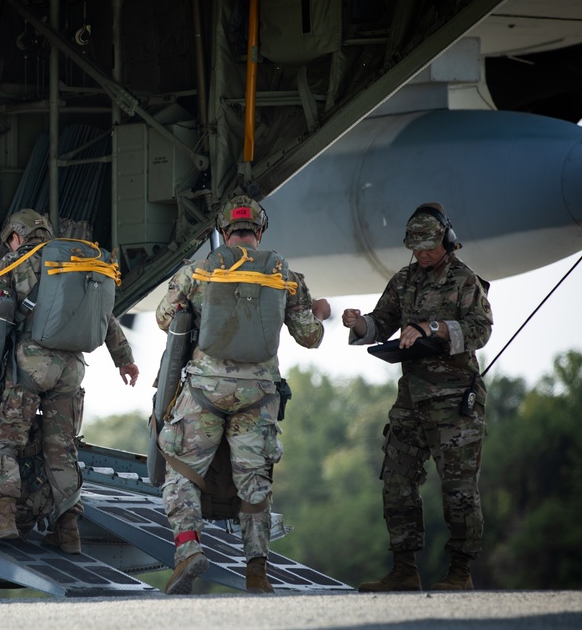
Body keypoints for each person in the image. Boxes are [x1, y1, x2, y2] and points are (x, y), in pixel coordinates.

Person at [155, 195, 330, 595]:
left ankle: (187, 549)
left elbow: (165, 318)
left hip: (205, 389)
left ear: (223, 231)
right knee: (254, 481)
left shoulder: (198, 270)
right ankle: (256, 570)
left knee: (180, 470)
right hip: (259, 393)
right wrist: (318, 313)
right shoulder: (285, 274)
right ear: (260, 231)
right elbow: (310, 337)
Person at [341, 202, 492, 592]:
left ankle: (460, 571)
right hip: (411, 398)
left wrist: (436, 328)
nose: (422, 254)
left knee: (458, 489)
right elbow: (383, 321)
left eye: (429, 246)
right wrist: (361, 324)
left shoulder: (465, 280)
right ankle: (404, 569)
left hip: (455, 400)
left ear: (446, 239)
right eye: (416, 247)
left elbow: (481, 330)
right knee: (396, 479)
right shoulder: (405, 279)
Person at [0, 209, 139, 554]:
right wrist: (126, 361)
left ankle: (3, 516)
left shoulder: (19, 260)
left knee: (8, 439)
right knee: (62, 448)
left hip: (31, 366)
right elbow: (105, 319)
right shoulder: (74, 263)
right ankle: (67, 528)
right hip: (72, 370)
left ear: (16, 236)